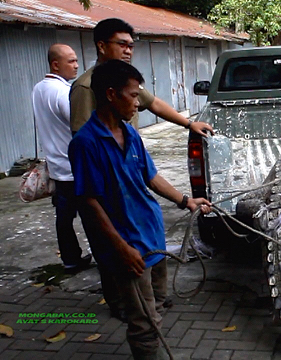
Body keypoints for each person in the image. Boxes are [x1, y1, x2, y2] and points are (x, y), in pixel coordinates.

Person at [68, 59, 212, 359]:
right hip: (128, 245)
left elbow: (151, 176)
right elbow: (89, 203)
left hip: (151, 235)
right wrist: (121, 249)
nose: (138, 102)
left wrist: (186, 202)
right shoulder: (86, 144)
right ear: (110, 94)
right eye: (133, 95)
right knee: (143, 321)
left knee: (156, 305)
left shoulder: (130, 133)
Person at [69, 18, 212, 136]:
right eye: (122, 45)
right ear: (101, 46)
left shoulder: (127, 80)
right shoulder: (85, 86)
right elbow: (81, 137)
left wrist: (189, 124)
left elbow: (153, 103)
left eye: (131, 46)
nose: (128, 51)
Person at [31, 44, 92, 273]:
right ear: (55, 64)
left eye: (76, 61)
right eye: (71, 61)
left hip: (56, 166)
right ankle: (104, 254)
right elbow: (79, 124)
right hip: (74, 167)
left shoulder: (39, 89)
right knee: (91, 213)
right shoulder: (64, 92)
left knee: (64, 217)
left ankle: (70, 259)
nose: (76, 66)